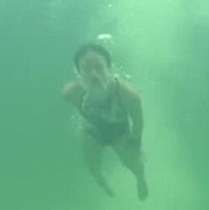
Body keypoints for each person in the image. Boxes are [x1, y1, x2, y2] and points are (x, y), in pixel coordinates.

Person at [62, 43, 148, 201]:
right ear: (78, 73)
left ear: (110, 68)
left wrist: (136, 142)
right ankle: (102, 184)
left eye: (99, 67)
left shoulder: (128, 94)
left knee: (133, 163)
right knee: (93, 167)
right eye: (86, 69)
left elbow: (138, 122)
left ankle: (141, 180)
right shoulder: (72, 93)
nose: (94, 74)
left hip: (120, 132)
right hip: (91, 132)